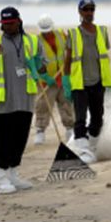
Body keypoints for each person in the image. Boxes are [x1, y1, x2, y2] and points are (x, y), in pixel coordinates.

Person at [0, 7, 46, 194]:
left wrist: (37, 64)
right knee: (3, 141)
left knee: (20, 140)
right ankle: (1, 180)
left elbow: (43, 68)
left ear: (19, 21)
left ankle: (13, 175)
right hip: (4, 103)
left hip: (25, 100)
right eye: (4, 24)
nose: (7, 27)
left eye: (10, 23)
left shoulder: (32, 41)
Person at [63, 0, 111, 164]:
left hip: (98, 82)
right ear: (79, 12)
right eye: (86, 10)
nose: (89, 13)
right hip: (79, 83)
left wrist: (110, 82)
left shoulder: (102, 31)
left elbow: (105, 57)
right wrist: (65, 80)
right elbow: (68, 59)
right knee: (80, 119)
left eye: (92, 9)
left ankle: (91, 148)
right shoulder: (73, 34)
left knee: (98, 118)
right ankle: (83, 151)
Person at [32, 14, 75, 145]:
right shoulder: (36, 41)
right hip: (46, 80)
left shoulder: (62, 35)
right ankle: (40, 131)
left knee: (67, 103)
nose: (46, 33)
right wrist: (43, 76)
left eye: (48, 30)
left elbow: (71, 49)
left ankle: (70, 129)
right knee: (43, 106)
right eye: (44, 31)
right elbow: (34, 60)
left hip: (63, 78)